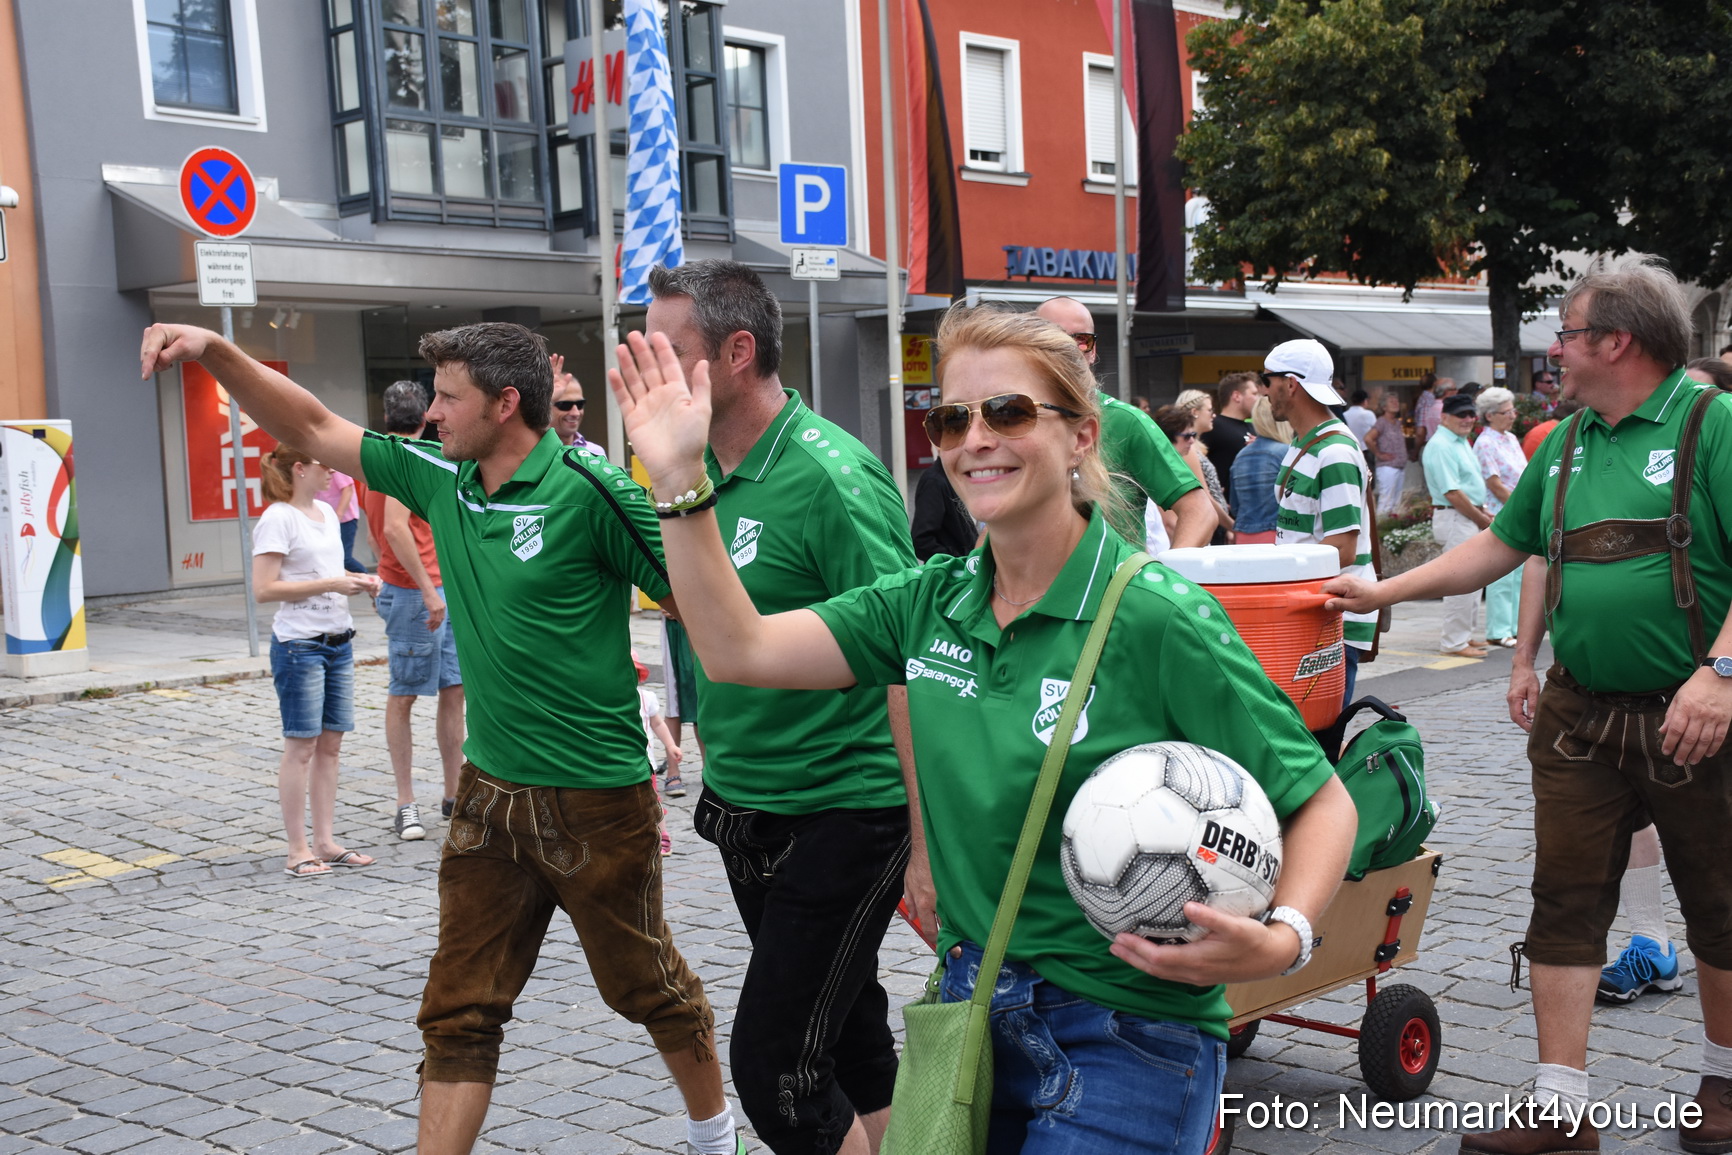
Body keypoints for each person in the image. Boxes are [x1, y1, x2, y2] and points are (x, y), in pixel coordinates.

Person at [612, 304, 1357, 1155]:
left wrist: (1284, 939)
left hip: (1129, 1033)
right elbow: (734, 646)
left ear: (1082, 436)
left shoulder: (1156, 614)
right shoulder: (928, 601)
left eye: (1007, 411)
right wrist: (679, 479)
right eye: (951, 419)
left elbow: (1321, 800)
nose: (975, 439)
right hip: (974, 1012)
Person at [140, 321, 739, 1155]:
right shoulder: (439, 475)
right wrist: (215, 350)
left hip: (596, 801)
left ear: (505, 403)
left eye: (450, 397)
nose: (433, 412)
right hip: (488, 798)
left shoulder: (592, 490)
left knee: (648, 988)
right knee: (458, 1009)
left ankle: (715, 1135)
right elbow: (310, 424)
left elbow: (706, 610)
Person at [1325, 256, 1732, 1155]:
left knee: (1720, 901)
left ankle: (1724, 1079)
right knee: (1565, 900)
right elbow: (1502, 548)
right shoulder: (1569, 439)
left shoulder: (1714, 424)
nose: (1557, 350)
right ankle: (1560, 1107)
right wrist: (1381, 591)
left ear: (1617, 341)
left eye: (1569, 333)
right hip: (1580, 713)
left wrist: (1722, 673)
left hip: (1696, 714)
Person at [644, 260, 918, 1155]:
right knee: (851, 1036)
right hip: (747, 803)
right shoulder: (689, 470)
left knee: (776, 1066)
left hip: (847, 808)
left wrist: (927, 839)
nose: (652, 366)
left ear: (737, 351)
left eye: (670, 348)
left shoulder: (832, 474)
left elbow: (909, 654)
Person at [252, 446, 381, 878]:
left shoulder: (326, 513)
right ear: (299, 469)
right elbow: (264, 589)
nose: (332, 472)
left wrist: (360, 580)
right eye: (324, 465)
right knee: (302, 746)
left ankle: (325, 842)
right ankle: (297, 850)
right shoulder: (278, 518)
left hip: (338, 641)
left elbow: (328, 574)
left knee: (331, 745)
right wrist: (331, 583)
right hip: (300, 645)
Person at [361, 380, 466, 840]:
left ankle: (453, 796)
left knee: (453, 689)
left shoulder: (379, 458)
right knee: (405, 694)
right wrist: (426, 590)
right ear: (426, 416)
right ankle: (407, 803)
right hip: (420, 593)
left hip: (425, 588)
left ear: (386, 416)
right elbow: (395, 529)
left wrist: (386, 575)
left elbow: (375, 534)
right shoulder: (407, 458)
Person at [1033, 296, 1213, 548]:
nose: (1068, 350)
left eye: (1081, 340)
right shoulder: (1012, 419)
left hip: (1112, 573)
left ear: (1093, 351)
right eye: (1052, 338)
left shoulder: (1125, 422)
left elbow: (1200, 512)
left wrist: (1166, 572)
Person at [1264, 338, 1377, 708]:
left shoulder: (1334, 451)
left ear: (1290, 384)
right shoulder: (1306, 442)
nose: (1264, 391)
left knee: (1319, 732)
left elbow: (1342, 549)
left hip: (1329, 617)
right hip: (1312, 610)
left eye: (1267, 380)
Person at [1423, 393, 1493, 657]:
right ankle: (1454, 642)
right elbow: (1451, 492)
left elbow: (1466, 487)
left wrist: (1481, 512)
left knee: (1472, 580)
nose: (1468, 419)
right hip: (1455, 516)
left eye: (1471, 414)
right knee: (1460, 580)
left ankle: (1464, 636)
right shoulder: (1442, 445)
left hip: (1465, 515)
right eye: (1461, 414)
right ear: (1444, 417)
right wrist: (1480, 518)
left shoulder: (1459, 441)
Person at [1473, 387, 1526, 648]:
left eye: (1513, 410)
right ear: (1490, 415)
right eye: (1507, 412)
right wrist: (1518, 507)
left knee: (1519, 573)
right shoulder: (1485, 442)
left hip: (1517, 509)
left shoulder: (1511, 438)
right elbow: (1494, 483)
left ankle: (1515, 627)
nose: (1513, 416)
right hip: (1501, 512)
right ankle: (1498, 629)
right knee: (1502, 575)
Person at [1170, 393, 1234, 542]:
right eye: (1210, 410)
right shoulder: (1188, 450)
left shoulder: (1192, 447)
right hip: (1210, 524)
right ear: (1195, 412)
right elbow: (1204, 495)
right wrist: (1233, 526)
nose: (1214, 415)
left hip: (1214, 523)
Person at [635, 651, 681, 857]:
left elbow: (658, 724)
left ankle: (663, 834)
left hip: (646, 763)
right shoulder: (607, 699)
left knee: (653, 800)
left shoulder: (646, 698)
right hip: (622, 762)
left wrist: (671, 745)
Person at [1228, 396, 1293, 544]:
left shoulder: (1241, 455)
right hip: (1279, 534)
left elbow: (1235, 506)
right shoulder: (1287, 452)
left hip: (1244, 536)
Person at [1202, 370, 1261, 489]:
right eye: (1254, 394)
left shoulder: (1255, 428)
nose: (1258, 399)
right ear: (1237, 396)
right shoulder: (1212, 426)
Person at [912, 462, 979, 561]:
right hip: (954, 567)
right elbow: (921, 541)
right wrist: (956, 561)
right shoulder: (934, 481)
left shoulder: (953, 477)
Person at [314, 465, 369, 573]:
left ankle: (368, 578)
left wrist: (338, 516)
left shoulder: (333, 465)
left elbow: (348, 489)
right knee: (331, 558)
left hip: (344, 519)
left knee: (344, 558)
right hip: (325, 519)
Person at [551, 352, 606, 455]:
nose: (575, 413)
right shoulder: (530, 452)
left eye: (580, 404)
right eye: (565, 405)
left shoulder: (596, 453)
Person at [1368, 393, 1409, 513]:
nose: (1396, 404)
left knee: (1396, 502)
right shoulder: (1382, 422)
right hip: (1387, 466)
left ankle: (1393, 522)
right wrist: (1379, 454)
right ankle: (1381, 522)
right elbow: (1368, 438)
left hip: (1399, 465)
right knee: (1386, 500)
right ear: (1384, 407)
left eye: (1396, 401)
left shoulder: (1397, 422)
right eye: (1391, 402)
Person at [1414, 372, 1443, 451]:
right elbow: (1421, 431)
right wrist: (1416, 451)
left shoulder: (1424, 399)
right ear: (1435, 383)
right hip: (1430, 445)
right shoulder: (1427, 401)